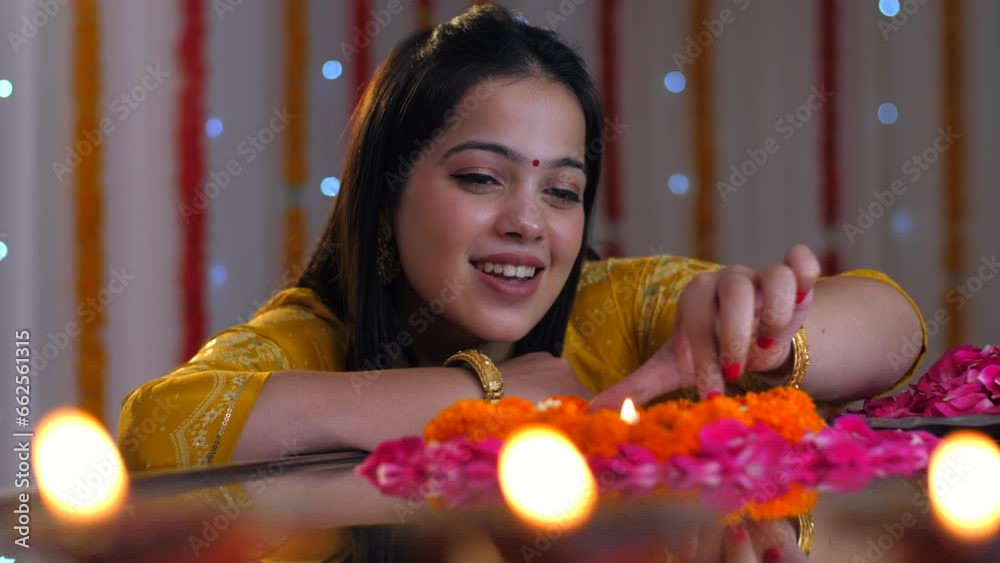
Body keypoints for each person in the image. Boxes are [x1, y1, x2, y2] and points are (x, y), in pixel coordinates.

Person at [117, 5, 926, 562]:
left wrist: (773, 337)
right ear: (387, 191)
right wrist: (488, 396)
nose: (529, 223)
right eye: (480, 178)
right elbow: (156, 429)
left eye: (563, 191)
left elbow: (897, 323)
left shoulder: (615, 311)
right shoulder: (313, 334)